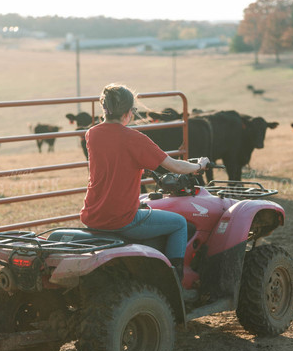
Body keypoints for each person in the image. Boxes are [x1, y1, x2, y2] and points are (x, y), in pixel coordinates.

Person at [80, 83, 209, 283]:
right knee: (179, 224)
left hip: (92, 215)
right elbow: (175, 166)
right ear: (129, 112)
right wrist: (199, 166)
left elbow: (114, 160)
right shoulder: (134, 138)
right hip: (121, 219)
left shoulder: (92, 134)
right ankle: (174, 279)